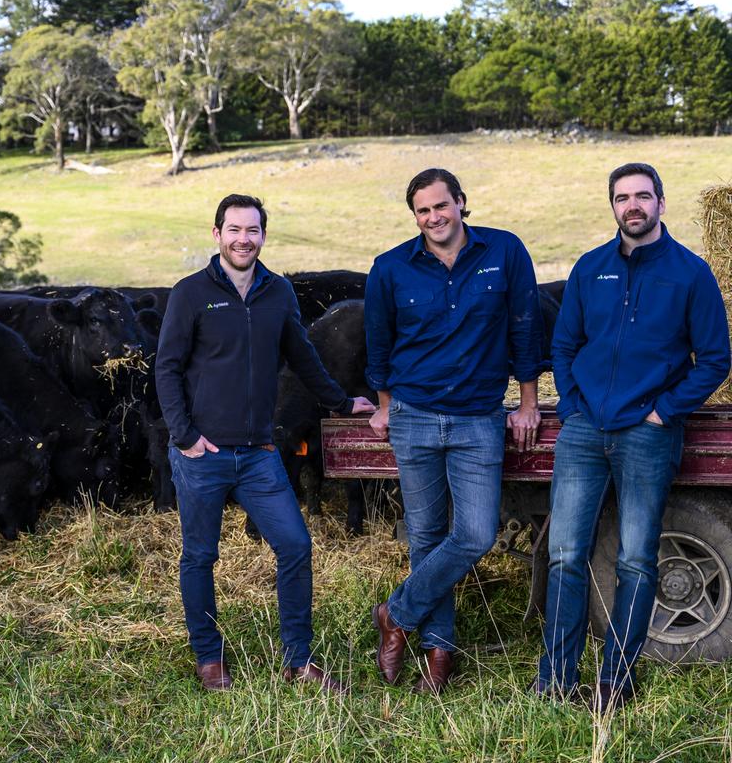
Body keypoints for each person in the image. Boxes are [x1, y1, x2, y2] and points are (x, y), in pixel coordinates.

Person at [155, 193, 375, 694]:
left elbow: (302, 355)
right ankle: (209, 658)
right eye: (234, 229)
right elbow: (166, 367)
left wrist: (343, 403)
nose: (243, 239)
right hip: (202, 454)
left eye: (252, 230)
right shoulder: (191, 293)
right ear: (217, 235)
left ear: (263, 236)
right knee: (199, 556)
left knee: (295, 545)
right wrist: (185, 436)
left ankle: (298, 660)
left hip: (258, 453)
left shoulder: (277, 293)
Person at [535, 163, 730, 711]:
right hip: (583, 432)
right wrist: (573, 408)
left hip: (647, 434)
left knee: (637, 560)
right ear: (613, 206)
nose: (633, 206)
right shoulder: (590, 268)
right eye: (623, 198)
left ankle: (614, 680)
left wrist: (663, 412)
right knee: (565, 555)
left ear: (661, 203)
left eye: (643, 196)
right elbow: (565, 346)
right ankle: (556, 680)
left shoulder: (690, 273)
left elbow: (715, 359)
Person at [365, 168, 543, 694]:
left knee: (476, 534)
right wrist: (385, 407)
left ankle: (395, 613)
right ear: (414, 216)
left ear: (462, 203)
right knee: (425, 537)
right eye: (422, 211)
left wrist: (528, 401)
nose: (434, 218)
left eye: (441, 206)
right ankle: (438, 652)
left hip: (478, 418)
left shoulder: (505, 252)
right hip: (414, 416)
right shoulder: (390, 268)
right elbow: (380, 348)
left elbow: (525, 329)